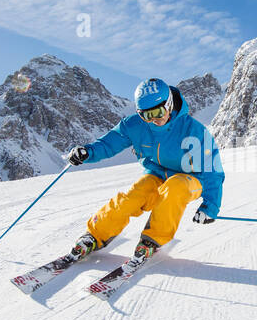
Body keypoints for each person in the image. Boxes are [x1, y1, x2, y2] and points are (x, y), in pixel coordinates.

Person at [65, 77, 223, 260]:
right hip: (156, 174)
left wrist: (210, 207)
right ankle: (94, 235)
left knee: (174, 188)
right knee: (133, 196)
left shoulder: (193, 131)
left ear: (169, 104)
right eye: (147, 115)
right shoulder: (134, 125)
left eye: (158, 112)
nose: (154, 120)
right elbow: (109, 144)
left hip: (191, 178)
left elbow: (212, 169)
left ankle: (152, 240)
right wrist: (87, 152)